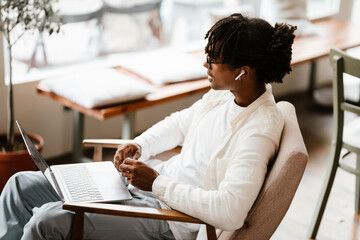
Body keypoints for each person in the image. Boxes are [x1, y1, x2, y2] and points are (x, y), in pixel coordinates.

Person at [0, 14, 296, 240]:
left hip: (172, 218)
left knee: (47, 220)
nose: (205, 65)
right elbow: (179, 124)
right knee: (19, 186)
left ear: (243, 72)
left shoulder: (259, 129)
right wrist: (139, 145)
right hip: (145, 190)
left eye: (213, 59)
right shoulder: (225, 97)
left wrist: (155, 183)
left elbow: (230, 212)